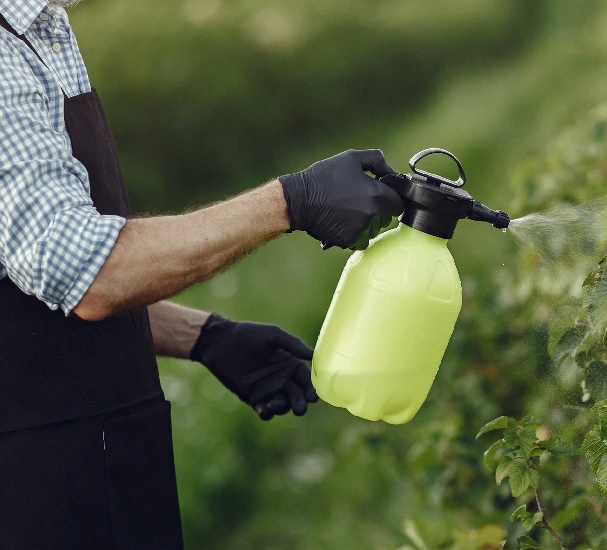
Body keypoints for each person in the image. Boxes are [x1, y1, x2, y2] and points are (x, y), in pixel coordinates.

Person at [0, 1, 405, 548]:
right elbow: (92, 273)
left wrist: (205, 336)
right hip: (37, 488)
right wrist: (290, 202)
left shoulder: (42, 28)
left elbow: (32, 277)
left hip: (104, 459)